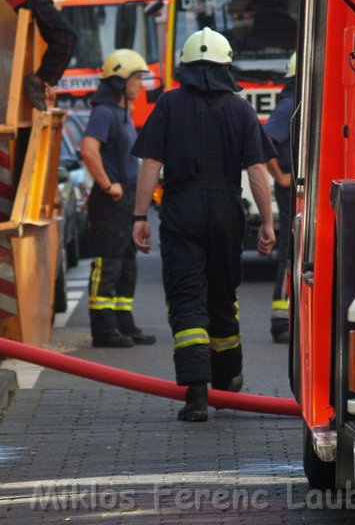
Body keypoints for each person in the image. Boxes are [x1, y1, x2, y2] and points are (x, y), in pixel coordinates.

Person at [131, 27, 277, 422]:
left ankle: (196, 395)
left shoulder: (168, 105)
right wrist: (266, 221)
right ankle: (228, 380)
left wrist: (141, 216)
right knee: (223, 297)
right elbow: (257, 170)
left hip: (181, 212)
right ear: (226, 65)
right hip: (228, 213)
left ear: (185, 66)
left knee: (186, 300)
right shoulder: (241, 108)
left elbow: (150, 165)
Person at [80, 49, 157, 348]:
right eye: (137, 77)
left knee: (126, 264)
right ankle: (103, 329)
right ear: (119, 81)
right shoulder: (104, 112)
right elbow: (88, 149)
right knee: (108, 265)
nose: (141, 84)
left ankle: (124, 324)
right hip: (112, 201)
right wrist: (107, 184)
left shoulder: (123, 113)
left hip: (124, 202)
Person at [264, 52, 296, 344]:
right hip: (290, 189)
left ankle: (290, 316)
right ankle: (281, 321)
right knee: (289, 250)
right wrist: (281, 176)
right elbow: (266, 140)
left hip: (297, 188)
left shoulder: (296, 99)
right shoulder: (289, 105)